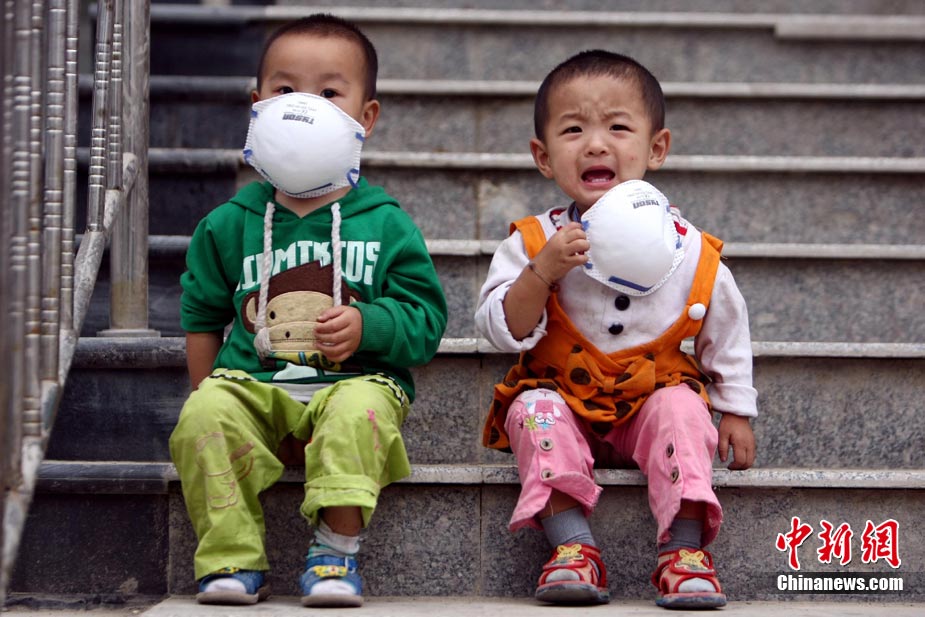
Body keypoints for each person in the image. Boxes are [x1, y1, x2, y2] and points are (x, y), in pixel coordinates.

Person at [169, 14, 447, 608]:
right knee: (203, 412)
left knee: (356, 412)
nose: (304, 106)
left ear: (365, 117)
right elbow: (202, 317)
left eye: (327, 93)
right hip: (254, 385)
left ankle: (334, 554)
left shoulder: (387, 223)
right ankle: (230, 557)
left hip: (355, 383)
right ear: (258, 106)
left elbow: (425, 322)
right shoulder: (227, 224)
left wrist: (370, 325)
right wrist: (214, 401)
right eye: (286, 89)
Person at [475, 49, 757, 609]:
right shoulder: (533, 242)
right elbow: (500, 329)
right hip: (563, 396)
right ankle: (571, 545)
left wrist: (736, 409)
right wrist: (542, 273)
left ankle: (684, 551)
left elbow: (725, 328)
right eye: (573, 129)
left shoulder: (689, 250)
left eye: (618, 128)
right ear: (543, 157)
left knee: (683, 409)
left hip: (652, 398)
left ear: (657, 149)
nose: (596, 144)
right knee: (531, 410)